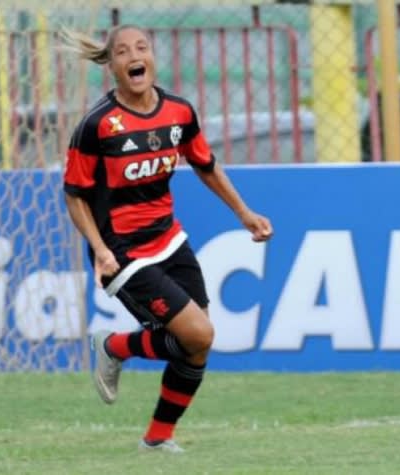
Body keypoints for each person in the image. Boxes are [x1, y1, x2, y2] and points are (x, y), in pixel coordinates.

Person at [61, 24, 273, 453]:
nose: (133, 55)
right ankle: (115, 345)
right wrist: (100, 250)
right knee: (198, 334)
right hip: (121, 249)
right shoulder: (98, 125)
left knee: (195, 345)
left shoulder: (178, 112)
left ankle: (158, 439)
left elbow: (205, 164)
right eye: (122, 51)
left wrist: (244, 213)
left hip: (169, 238)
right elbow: (74, 195)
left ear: (152, 58)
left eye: (141, 47)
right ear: (114, 67)